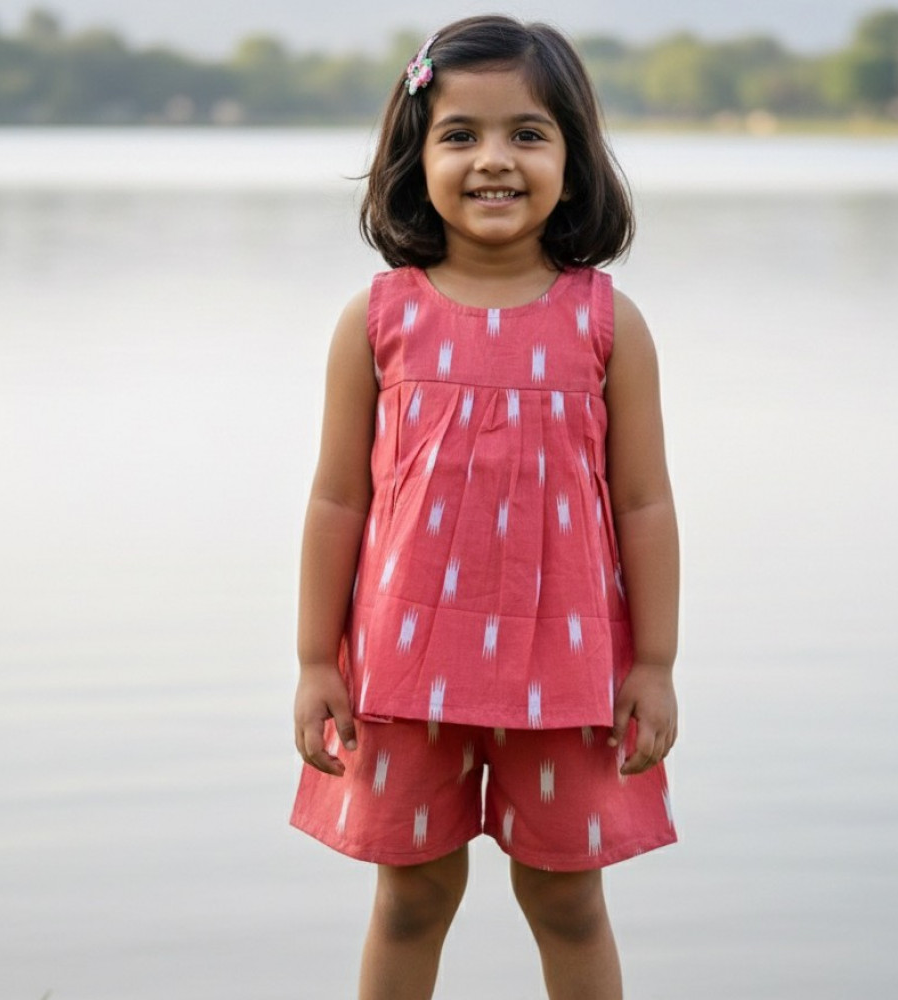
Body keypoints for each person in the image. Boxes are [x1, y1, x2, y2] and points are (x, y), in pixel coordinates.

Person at [291, 15, 679, 1000]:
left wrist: (656, 664)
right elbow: (338, 497)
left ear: (573, 159)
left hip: (568, 673)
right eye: (459, 135)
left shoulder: (605, 323)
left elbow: (643, 504)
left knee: (568, 901)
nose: (493, 160)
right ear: (413, 157)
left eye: (527, 134)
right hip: (403, 668)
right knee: (412, 897)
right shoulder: (378, 319)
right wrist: (311, 661)